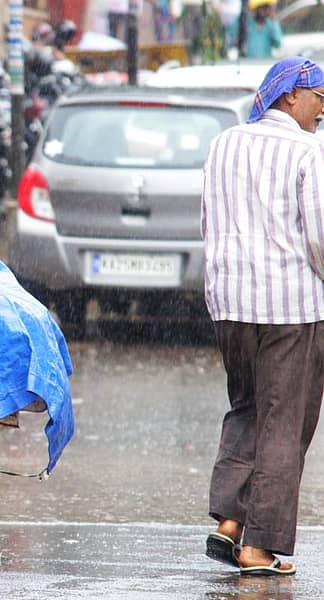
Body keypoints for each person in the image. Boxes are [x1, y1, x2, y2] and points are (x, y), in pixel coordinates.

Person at [201, 57, 324, 577]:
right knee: (285, 420)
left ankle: (229, 519)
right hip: (291, 307)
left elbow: (208, 220)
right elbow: (319, 236)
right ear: (290, 95)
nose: (323, 108)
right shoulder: (309, 152)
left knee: (246, 407)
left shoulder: (224, 143)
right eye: (319, 94)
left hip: (231, 304)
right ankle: (260, 546)